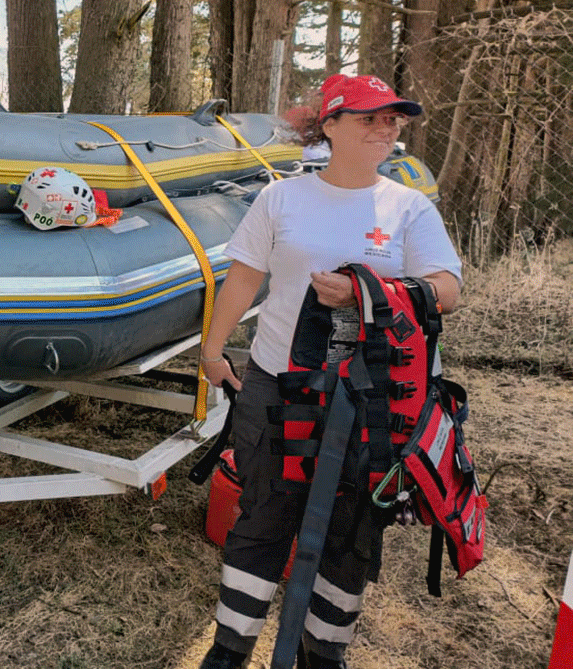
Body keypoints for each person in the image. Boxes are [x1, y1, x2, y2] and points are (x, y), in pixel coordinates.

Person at [195, 74, 463, 669]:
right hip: (278, 383)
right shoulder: (281, 198)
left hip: (376, 399)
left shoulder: (408, 208)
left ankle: (324, 656)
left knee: (353, 527)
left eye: (392, 118)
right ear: (331, 125)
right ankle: (229, 651)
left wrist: (370, 291)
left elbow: (448, 289)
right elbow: (244, 277)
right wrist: (214, 351)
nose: (385, 128)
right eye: (370, 117)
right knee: (265, 514)